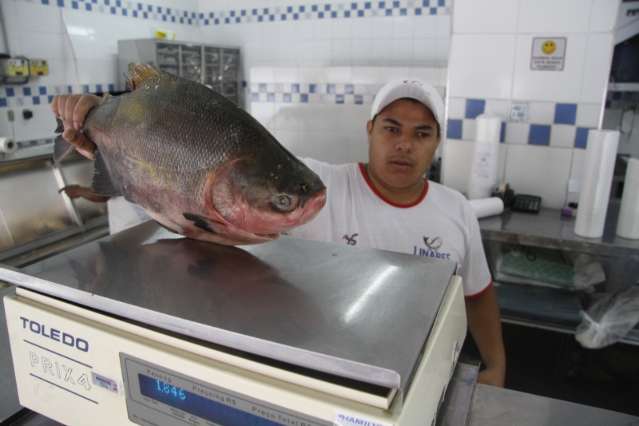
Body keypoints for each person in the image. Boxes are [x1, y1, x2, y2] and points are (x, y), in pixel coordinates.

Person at [51, 79, 506, 387]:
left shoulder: (457, 211)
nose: (404, 144)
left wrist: (497, 365)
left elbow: (477, 295)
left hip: (428, 378)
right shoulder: (318, 187)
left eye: (421, 133)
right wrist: (101, 127)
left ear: (437, 142)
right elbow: (198, 187)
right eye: (391, 128)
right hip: (327, 374)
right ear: (369, 130)